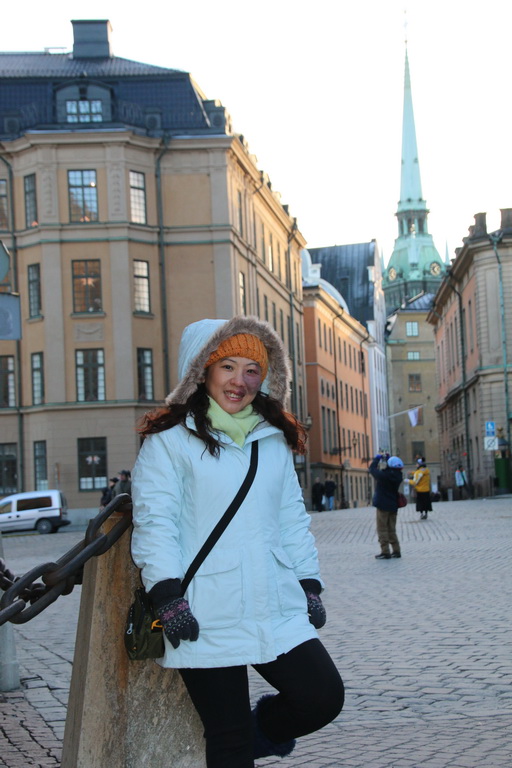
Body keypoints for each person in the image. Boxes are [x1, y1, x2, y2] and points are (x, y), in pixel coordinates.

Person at [130, 316, 344, 768]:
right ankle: (239, 746)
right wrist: (167, 594)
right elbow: (156, 523)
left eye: (252, 370)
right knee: (227, 740)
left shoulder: (272, 439)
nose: (240, 381)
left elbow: (290, 519)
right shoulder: (169, 441)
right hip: (203, 608)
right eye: (228, 366)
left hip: (274, 601)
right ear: (201, 370)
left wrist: (308, 583)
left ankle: (259, 734)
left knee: (322, 696)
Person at [369, 453, 404, 559]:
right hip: (393, 505)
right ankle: (396, 550)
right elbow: (391, 468)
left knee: (382, 529)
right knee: (391, 529)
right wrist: (389, 459)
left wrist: (376, 459)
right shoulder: (399, 476)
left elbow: (372, 469)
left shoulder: (384, 476)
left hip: (382, 505)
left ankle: (385, 551)